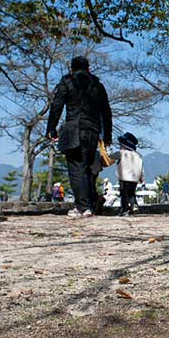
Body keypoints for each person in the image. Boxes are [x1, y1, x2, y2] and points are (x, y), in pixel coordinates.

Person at [46, 55, 112, 218]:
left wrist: (51, 128)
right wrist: (107, 135)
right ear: (88, 68)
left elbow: (57, 105)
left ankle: (83, 207)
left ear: (72, 69)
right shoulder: (98, 85)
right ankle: (89, 204)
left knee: (76, 168)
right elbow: (106, 112)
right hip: (93, 131)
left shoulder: (67, 81)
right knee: (88, 169)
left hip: (73, 129)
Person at [111, 132, 143, 216]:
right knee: (132, 192)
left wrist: (109, 151)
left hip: (124, 177)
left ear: (124, 145)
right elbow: (141, 168)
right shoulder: (138, 155)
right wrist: (141, 177)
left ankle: (125, 209)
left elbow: (112, 156)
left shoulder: (122, 153)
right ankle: (134, 205)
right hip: (135, 178)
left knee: (124, 194)